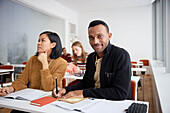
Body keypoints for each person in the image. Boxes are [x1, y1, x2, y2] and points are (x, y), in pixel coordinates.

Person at [52, 20, 131, 100]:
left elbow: (120, 93)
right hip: (93, 101)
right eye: (91, 38)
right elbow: (86, 83)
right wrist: (65, 89)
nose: (95, 42)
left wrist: (83, 93)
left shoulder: (121, 55)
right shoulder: (91, 58)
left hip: (115, 104)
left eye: (99, 36)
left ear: (109, 36)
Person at [0, 31, 67, 96]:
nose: (39, 43)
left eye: (43, 40)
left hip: (50, 99)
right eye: (38, 40)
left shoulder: (62, 63)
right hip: (31, 97)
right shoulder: (33, 59)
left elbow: (48, 88)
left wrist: (44, 63)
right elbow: (22, 80)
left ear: (53, 45)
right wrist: (10, 89)